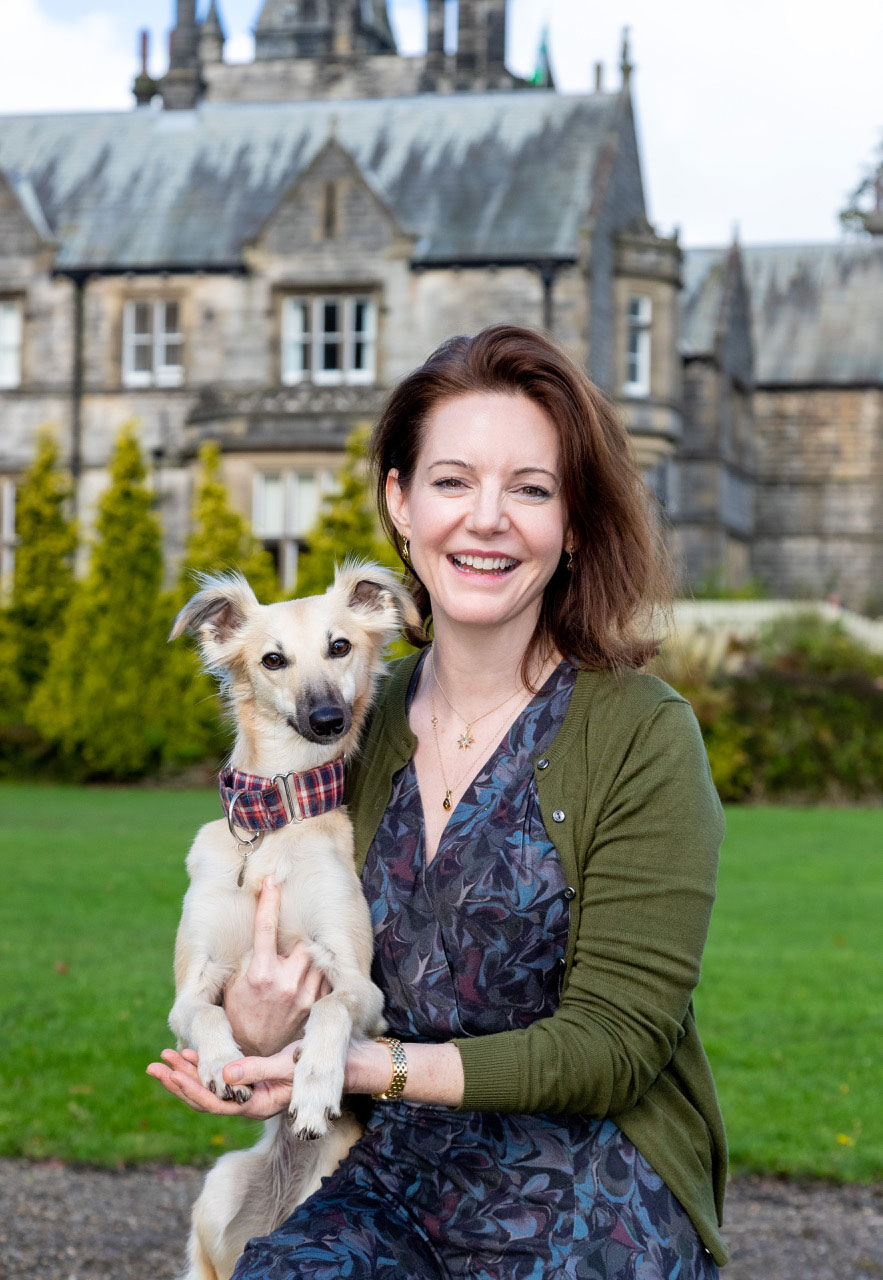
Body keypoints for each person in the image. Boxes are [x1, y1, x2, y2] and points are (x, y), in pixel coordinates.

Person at [149, 324, 728, 1278]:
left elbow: (617, 1045)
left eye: (531, 489)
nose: (487, 519)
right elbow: (272, 953)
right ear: (402, 504)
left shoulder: (640, 734)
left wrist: (376, 1067)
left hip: (596, 1169)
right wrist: (255, 1035)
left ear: (573, 524)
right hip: (384, 1165)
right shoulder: (340, 733)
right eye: (453, 481)